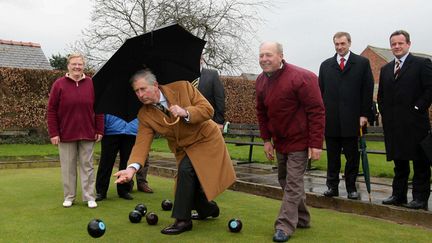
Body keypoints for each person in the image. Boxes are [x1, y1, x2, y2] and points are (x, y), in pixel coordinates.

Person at [114, 69, 236, 235]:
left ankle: (183, 220)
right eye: (136, 91)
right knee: (188, 182)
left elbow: (208, 110)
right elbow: (141, 144)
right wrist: (131, 169)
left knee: (185, 171)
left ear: (155, 85)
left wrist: (185, 112)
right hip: (184, 148)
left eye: (143, 89)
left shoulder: (183, 87)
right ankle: (208, 209)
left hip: (205, 139)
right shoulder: (144, 114)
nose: (140, 94)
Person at [255, 42, 325, 242]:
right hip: (280, 141)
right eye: (261, 55)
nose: (264, 59)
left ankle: (284, 226)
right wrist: (266, 140)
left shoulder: (303, 77)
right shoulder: (260, 81)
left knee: (293, 182)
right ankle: (302, 218)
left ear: (280, 56)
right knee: (285, 180)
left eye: (268, 55)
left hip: (301, 140)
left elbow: (317, 111)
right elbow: (262, 112)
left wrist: (316, 143)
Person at [378, 30, 432, 210]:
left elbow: (430, 89)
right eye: (393, 44)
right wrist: (385, 113)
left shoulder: (421, 63)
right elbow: (382, 96)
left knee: (420, 163)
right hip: (394, 125)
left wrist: (418, 108)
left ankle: (420, 198)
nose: (397, 47)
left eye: (400, 43)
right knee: (399, 163)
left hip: (416, 123)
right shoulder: (386, 69)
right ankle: (398, 195)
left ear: (408, 44)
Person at [318, 32, 374, 200]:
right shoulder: (325, 65)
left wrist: (364, 114)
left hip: (353, 119)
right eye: (337, 44)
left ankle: (351, 188)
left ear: (349, 43)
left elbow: (367, 89)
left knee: (352, 156)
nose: (340, 47)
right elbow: (320, 92)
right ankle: (332, 186)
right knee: (332, 156)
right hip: (331, 119)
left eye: (342, 43)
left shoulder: (362, 63)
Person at [46, 53, 104, 209]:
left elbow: (99, 109)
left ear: (83, 66)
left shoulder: (92, 83)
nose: (77, 67)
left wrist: (99, 129)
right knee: (68, 167)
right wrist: (54, 133)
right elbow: (51, 110)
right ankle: (69, 196)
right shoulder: (59, 84)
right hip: (65, 134)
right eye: (74, 64)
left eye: (80, 64)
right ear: (68, 66)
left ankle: (89, 197)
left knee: (88, 166)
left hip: (88, 132)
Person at [95, 114, 153, 202]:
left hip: (131, 132)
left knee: (127, 163)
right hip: (111, 131)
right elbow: (102, 112)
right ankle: (101, 191)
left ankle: (124, 190)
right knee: (105, 163)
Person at [193, 57, 225, 129]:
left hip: (207, 122)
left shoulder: (212, 75)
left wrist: (219, 121)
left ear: (202, 60)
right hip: (187, 122)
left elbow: (220, 98)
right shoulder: (183, 76)